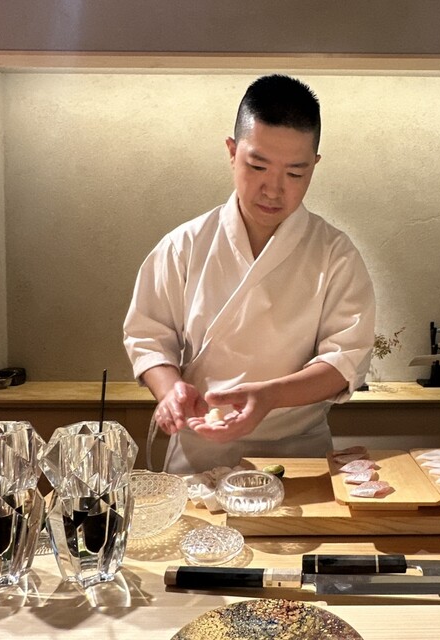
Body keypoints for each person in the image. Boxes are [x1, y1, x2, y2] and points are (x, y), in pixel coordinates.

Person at [123, 74, 375, 473]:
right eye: (257, 166)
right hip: (199, 453)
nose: (273, 189)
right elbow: (148, 336)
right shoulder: (184, 245)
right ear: (232, 151)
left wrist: (270, 397)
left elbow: (346, 360)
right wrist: (170, 391)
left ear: (314, 165)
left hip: (298, 456)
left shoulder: (335, 254)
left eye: (295, 174)